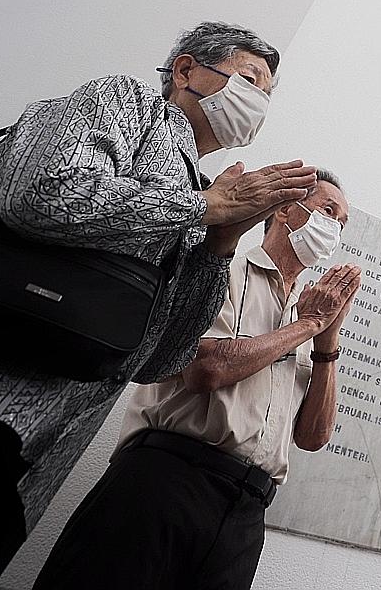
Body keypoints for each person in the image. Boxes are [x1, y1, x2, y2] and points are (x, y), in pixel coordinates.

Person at [0, 21, 318, 590]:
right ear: (186, 71)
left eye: (269, 94)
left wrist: (219, 243)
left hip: (35, 453)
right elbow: (42, 192)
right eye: (251, 79)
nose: (259, 101)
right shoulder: (119, 102)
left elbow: (159, 360)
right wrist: (201, 208)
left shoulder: (195, 189)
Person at [33, 170, 360, 590]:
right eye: (327, 211)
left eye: (342, 222)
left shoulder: (312, 307)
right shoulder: (221, 268)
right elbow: (205, 369)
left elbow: (313, 437)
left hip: (246, 515)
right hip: (166, 481)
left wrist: (326, 343)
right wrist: (306, 327)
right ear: (284, 209)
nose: (333, 227)